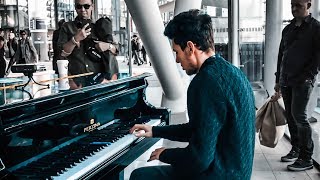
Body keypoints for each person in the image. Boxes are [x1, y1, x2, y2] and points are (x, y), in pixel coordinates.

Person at [129, 9, 256, 180]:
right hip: (237, 174)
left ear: (190, 47)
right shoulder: (233, 72)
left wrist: (165, 154)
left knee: (140, 176)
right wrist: (155, 131)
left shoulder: (204, 82)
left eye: (176, 52)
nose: (176, 60)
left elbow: (199, 160)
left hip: (218, 175)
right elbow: (199, 128)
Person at [271, 0, 320, 171]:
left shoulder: (316, 28)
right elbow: (280, 56)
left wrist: (309, 77)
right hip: (286, 80)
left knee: (299, 116)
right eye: (292, 5)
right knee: (291, 117)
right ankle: (296, 149)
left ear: (308, 4)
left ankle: (306, 158)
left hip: (302, 81)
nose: (294, 8)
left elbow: (318, 57)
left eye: (298, 5)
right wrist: (278, 80)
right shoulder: (288, 29)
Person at [58, 0, 117, 76]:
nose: (83, 10)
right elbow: (61, 53)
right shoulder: (67, 27)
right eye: (79, 6)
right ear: (75, 8)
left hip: (99, 77)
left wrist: (108, 46)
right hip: (77, 79)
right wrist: (75, 40)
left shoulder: (100, 25)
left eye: (86, 6)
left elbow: (116, 49)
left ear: (92, 7)